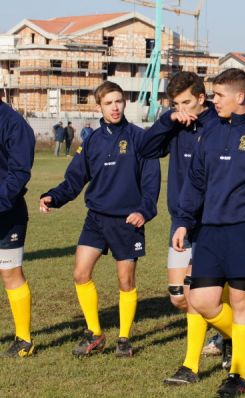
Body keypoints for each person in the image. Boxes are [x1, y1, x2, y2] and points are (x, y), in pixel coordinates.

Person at [172, 68, 245, 396]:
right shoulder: (209, 131)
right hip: (211, 228)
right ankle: (243, 338)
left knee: (241, 299)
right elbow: (196, 179)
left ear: (240, 97)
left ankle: (238, 375)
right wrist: (184, 219)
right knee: (200, 299)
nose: (213, 101)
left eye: (219, 95)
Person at [39, 81, 161, 358]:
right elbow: (74, 179)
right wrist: (53, 197)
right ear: (99, 106)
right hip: (96, 218)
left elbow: (151, 183)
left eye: (119, 101)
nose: (115, 107)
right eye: (109, 103)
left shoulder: (139, 137)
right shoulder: (92, 139)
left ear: (125, 102)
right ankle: (95, 333)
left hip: (127, 221)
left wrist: (144, 211)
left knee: (125, 281)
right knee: (81, 273)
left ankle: (124, 338)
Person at [138, 71, 219, 384]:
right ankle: (233, 331)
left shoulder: (217, 124)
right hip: (181, 221)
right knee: (177, 297)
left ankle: (191, 364)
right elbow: (145, 150)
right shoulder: (175, 125)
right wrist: (167, 120)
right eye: (176, 103)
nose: (182, 108)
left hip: (213, 221)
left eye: (186, 102)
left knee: (197, 295)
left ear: (201, 98)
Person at [0, 97, 36, 357]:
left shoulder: (13, 123)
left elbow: (20, 171)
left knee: (10, 273)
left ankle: (24, 340)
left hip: (7, 213)